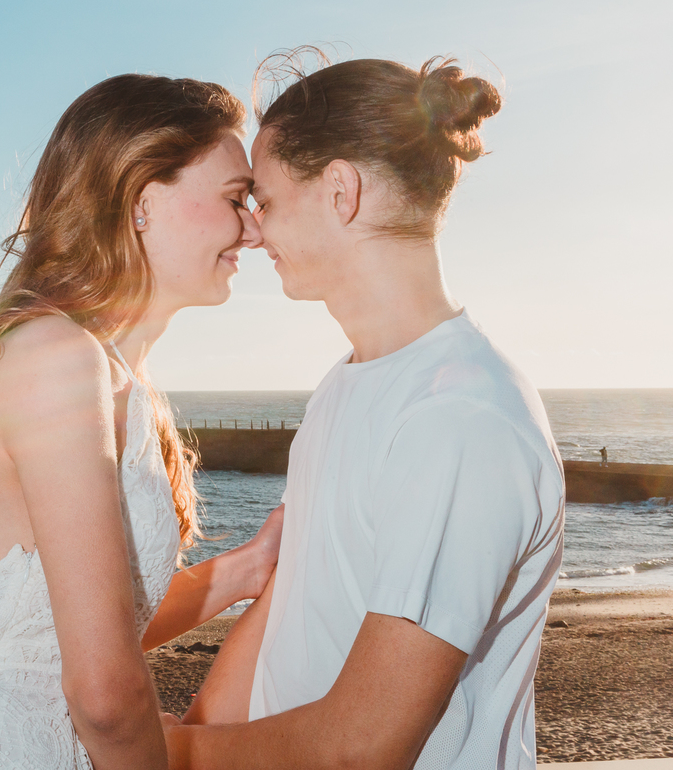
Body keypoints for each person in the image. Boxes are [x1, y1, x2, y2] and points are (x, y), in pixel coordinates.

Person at [0, 74, 284, 770]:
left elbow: (74, 628)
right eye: (235, 198)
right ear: (140, 200)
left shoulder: (114, 378)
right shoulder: (57, 358)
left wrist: (245, 570)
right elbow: (105, 694)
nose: (255, 225)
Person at [163, 53, 566, 769]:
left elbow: (363, 746)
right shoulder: (346, 384)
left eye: (267, 198)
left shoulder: (461, 418)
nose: (252, 231)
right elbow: (285, 609)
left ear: (340, 191)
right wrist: (194, 734)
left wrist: (167, 754)